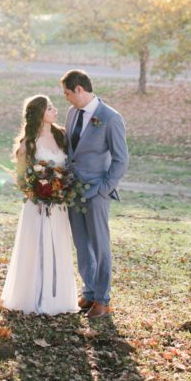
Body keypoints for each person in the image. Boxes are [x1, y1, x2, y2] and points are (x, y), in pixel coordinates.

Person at [1, 95, 78, 315]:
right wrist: (36, 192)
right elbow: (21, 176)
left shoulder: (61, 135)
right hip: (37, 205)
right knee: (36, 247)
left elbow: (69, 167)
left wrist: (60, 189)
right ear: (39, 113)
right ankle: (32, 297)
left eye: (53, 107)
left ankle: (58, 299)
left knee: (57, 245)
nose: (55, 111)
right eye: (49, 108)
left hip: (58, 205)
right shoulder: (29, 142)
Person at [62, 69, 128, 319]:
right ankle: (89, 292)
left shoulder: (110, 118)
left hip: (97, 192)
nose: (66, 98)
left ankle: (103, 299)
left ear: (79, 89)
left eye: (68, 93)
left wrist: (103, 188)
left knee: (100, 245)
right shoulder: (71, 113)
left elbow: (121, 160)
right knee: (81, 244)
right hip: (73, 192)